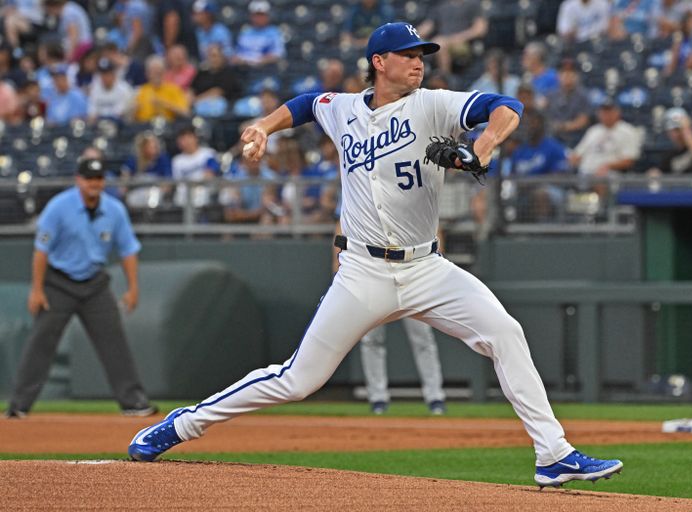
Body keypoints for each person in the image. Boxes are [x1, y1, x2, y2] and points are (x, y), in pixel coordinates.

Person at [128, 21, 623, 489]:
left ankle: (553, 454)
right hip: (363, 270)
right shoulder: (342, 107)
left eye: (422, 55)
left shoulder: (431, 104)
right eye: (408, 56)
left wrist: (486, 142)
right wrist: (263, 126)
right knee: (298, 380)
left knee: (505, 333)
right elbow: (304, 104)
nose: (418, 63)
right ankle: (184, 424)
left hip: (427, 267)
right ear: (379, 61)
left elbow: (504, 104)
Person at [5, 157, 157, 419]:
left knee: (114, 341)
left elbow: (128, 251)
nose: (93, 184)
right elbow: (41, 251)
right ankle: (18, 406)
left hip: (95, 283)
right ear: (78, 180)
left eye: (98, 179)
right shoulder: (59, 207)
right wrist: (37, 290)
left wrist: (133, 288)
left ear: (103, 181)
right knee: (41, 343)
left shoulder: (114, 210)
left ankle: (134, 402)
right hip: (59, 282)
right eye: (89, 179)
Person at [332, 220, 447, 415]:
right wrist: (337, 264)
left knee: (423, 338)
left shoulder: (410, 190)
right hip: (374, 272)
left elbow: (434, 224)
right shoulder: (362, 192)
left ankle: (435, 396)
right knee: (372, 339)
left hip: (412, 270)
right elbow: (341, 222)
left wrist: (437, 262)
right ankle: (378, 398)